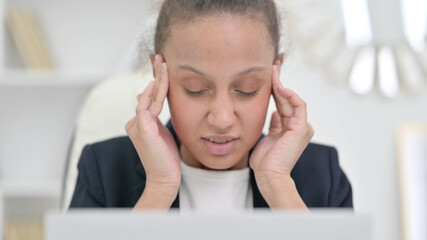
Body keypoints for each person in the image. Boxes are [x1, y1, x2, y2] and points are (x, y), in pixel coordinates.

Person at [69, 0, 352, 211]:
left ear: (274, 73)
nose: (221, 118)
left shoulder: (323, 174)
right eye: (196, 89)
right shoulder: (103, 170)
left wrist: (278, 186)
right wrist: (159, 188)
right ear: (160, 73)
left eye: (246, 90)